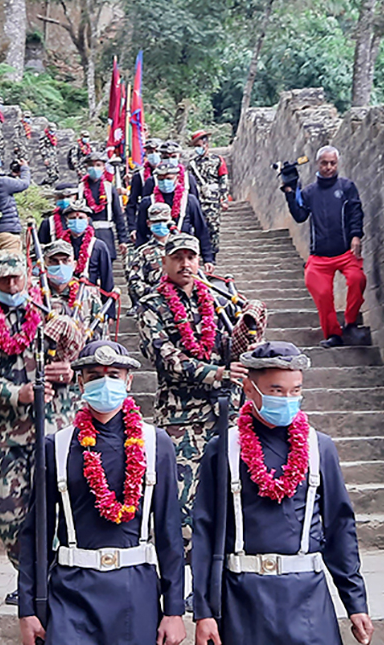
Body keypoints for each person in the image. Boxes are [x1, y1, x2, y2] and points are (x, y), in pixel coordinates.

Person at [191, 342, 373, 645]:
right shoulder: (223, 448)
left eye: (295, 391)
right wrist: (203, 610)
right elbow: (204, 530)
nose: (288, 399)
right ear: (249, 388)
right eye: (276, 391)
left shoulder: (320, 447)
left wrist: (355, 602)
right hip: (242, 597)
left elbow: (340, 528)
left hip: (307, 598)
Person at [17, 340, 187, 645]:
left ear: (129, 380)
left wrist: (174, 609)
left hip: (136, 590)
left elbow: (169, 532)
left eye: (114, 375)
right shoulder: (56, 446)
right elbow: (35, 533)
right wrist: (27, 608)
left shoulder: (155, 444)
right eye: (94, 376)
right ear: (80, 381)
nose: (104, 382)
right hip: (72, 591)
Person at [138, 233, 266, 546]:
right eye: (178, 258)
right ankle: (181, 584)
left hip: (227, 414)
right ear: (165, 262)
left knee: (231, 495)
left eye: (191, 257)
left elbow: (241, 348)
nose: (185, 264)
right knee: (182, 508)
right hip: (181, 419)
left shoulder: (221, 299)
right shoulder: (150, 305)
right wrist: (216, 373)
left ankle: (220, 585)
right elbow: (164, 356)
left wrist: (250, 327)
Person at [0, 251, 79, 594]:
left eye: (16, 278)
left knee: (59, 508)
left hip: (54, 429)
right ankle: (27, 575)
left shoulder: (53, 316)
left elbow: (88, 361)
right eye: (4, 280)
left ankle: (55, 578)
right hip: (7, 434)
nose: (11, 285)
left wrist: (70, 372)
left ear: (27, 278)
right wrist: (16, 393)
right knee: (9, 514)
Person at [280, 146, 369, 348]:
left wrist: (356, 235)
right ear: (318, 164)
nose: (328, 167)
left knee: (357, 279)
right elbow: (300, 216)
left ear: (337, 164)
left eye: (332, 163)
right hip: (320, 257)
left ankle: (351, 322)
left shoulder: (347, 187)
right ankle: (333, 334)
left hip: (345, 251)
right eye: (324, 163)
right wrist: (289, 191)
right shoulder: (310, 192)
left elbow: (356, 211)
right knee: (321, 293)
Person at [135, 163, 214, 271]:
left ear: (177, 178)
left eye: (168, 178)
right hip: (156, 254)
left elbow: (201, 229)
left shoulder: (189, 200)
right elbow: (141, 231)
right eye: (161, 179)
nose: (164, 182)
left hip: (184, 251)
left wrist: (208, 258)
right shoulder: (148, 202)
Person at [43, 239, 110, 342]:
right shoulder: (36, 296)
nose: (60, 265)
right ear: (44, 265)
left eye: (65, 261)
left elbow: (101, 338)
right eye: (54, 261)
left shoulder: (88, 296)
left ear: (74, 265)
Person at [79, 151, 131, 258]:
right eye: (91, 165)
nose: (95, 168)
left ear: (103, 167)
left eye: (98, 165)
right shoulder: (80, 188)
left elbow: (118, 215)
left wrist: (122, 240)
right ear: (86, 167)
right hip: (86, 234)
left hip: (106, 233)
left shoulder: (108, 188)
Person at [187, 130, 230, 255]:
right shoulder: (192, 163)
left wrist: (224, 199)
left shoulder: (217, 160)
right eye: (195, 146)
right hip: (197, 198)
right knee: (198, 226)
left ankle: (213, 253)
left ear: (206, 144)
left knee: (213, 226)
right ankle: (199, 253)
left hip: (212, 199)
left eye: (199, 145)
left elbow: (223, 179)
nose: (197, 149)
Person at [59, 200, 115, 295]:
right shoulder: (60, 245)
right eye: (73, 218)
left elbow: (106, 278)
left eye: (81, 218)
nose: (77, 221)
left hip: (89, 293)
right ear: (66, 220)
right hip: (64, 293)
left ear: (87, 220)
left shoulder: (98, 246)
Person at [126, 201, 173, 308]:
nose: (161, 224)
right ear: (148, 223)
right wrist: (155, 291)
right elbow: (134, 282)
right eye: (156, 221)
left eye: (164, 221)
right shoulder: (142, 252)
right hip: (154, 303)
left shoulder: (180, 248)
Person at [125, 137, 162, 228]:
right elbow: (131, 204)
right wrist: (132, 227)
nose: (154, 154)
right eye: (150, 152)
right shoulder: (139, 176)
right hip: (147, 220)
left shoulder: (174, 174)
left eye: (156, 151)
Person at [39, 122, 61, 187]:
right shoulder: (44, 135)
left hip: (53, 157)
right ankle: (43, 184)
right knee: (52, 175)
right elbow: (42, 147)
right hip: (48, 157)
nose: (52, 132)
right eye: (51, 131)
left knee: (56, 174)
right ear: (48, 128)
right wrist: (45, 158)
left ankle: (50, 186)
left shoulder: (53, 136)